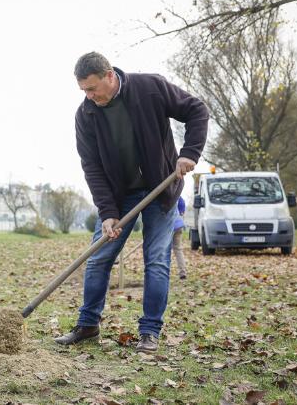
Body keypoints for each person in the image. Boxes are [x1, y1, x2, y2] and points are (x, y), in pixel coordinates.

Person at [55, 52, 208, 353]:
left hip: (160, 190)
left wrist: (190, 152)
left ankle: (150, 332)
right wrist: (109, 213)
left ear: (110, 75)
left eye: (92, 88)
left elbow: (196, 110)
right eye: (83, 90)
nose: (89, 96)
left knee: (156, 261)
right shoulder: (85, 115)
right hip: (119, 196)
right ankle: (88, 325)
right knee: (98, 257)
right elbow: (92, 167)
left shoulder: (150, 87)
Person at [171, 196, 187, 280]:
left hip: (168, 226)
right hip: (179, 225)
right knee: (178, 249)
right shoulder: (177, 194)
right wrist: (181, 212)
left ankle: (164, 273)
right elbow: (182, 203)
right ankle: (182, 272)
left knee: (165, 250)